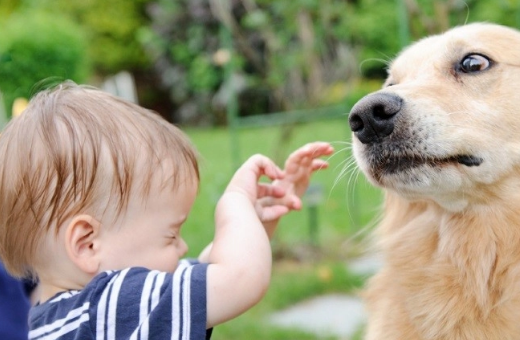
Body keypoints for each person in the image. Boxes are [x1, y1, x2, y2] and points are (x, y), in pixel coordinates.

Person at [0, 81, 334, 339]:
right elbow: (239, 278)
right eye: (171, 234)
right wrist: (236, 205)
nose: (183, 246)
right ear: (87, 243)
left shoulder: (57, 317)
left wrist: (255, 221)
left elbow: (207, 270)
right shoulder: (108, 308)